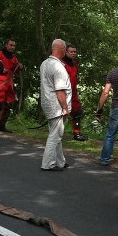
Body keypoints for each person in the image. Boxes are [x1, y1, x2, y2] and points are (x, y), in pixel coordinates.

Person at [39, 38, 71, 171]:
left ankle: (60, 162)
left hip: (47, 102)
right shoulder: (58, 67)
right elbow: (60, 90)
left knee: (56, 133)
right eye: (64, 49)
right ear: (62, 50)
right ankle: (47, 164)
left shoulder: (45, 63)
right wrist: (65, 107)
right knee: (55, 135)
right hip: (56, 105)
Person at [0, 39, 22, 133]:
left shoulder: (14, 57)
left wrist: (20, 67)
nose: (12, 47)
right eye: (11, 45)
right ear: (6, 45)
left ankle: (2, 126)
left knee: (8, 104)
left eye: (14, 45)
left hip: (9, 84)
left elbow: (16, 69)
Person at [63, 44, 86, 141]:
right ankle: (58, 133)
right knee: (61, 113)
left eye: (74, 52)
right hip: (63, 92)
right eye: (71, 51)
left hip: (73, 92)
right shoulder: (61, 63)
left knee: (77, 112)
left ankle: (77, 134)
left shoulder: (75, 64)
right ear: (66, 52)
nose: (73, 53)